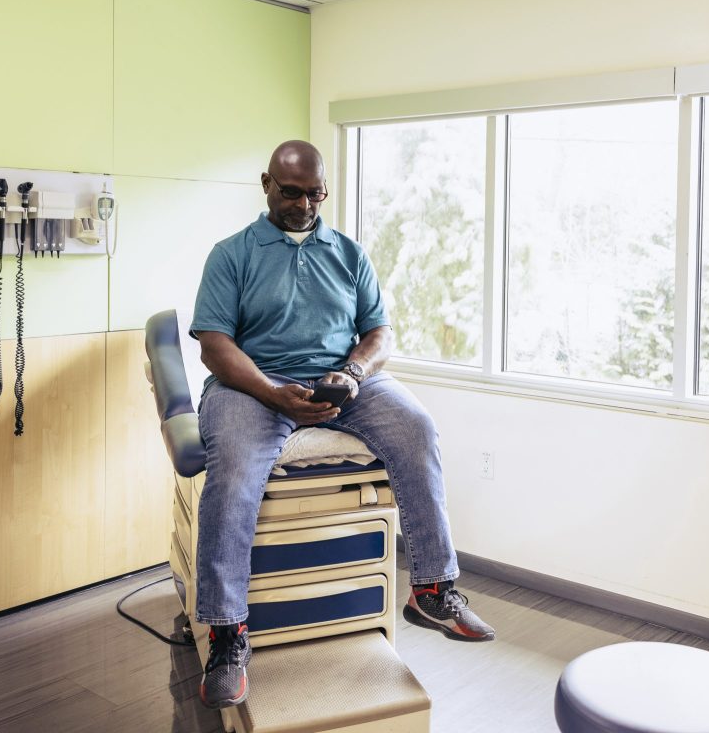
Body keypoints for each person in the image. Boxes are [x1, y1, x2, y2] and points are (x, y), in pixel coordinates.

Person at [188, 139, 496, 709]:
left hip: (341, 380)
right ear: (266, 184)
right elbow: (214, 345)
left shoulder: (349, 253)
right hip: (253, 384)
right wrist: (273, 394)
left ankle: (431, 588)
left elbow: (379, 332)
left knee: (417, 427)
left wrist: (354, 372)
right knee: (230, 468)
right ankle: (228, 634)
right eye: (291, 193)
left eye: (315, 194)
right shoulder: (231, 254)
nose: (304, 205)